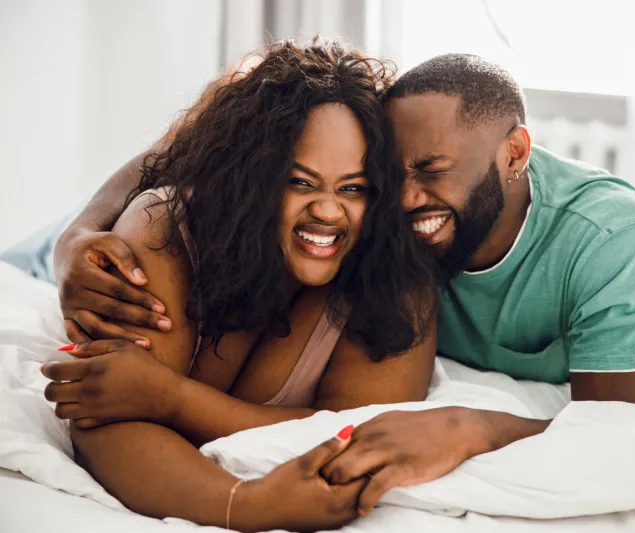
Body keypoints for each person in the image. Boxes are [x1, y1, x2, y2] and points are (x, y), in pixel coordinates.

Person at [48, 53, 635, 518]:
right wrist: (74, 236)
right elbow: (200, 142)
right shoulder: (184, 219)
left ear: (515, 155)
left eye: (357, 187)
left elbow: (632, 429)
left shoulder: (602, 241)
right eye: (386, 176)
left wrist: (467, 427)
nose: (402, 200)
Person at [38, 39, 440, 532]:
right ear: (250, 180)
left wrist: (171, 397)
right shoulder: (165, 229)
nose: (330, 211)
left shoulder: (396, 281)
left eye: (353, 188)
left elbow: (362, 434)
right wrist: (243, 504)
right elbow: (106, 412)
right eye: (300, 182)